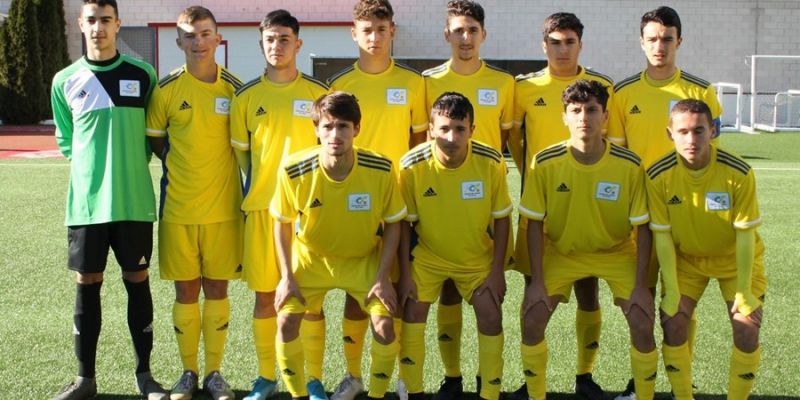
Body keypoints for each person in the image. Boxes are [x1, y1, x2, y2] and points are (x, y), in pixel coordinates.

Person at [50, 1, 166, 399]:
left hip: (133, 201)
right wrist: (93, 172)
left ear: (117, 24)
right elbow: (67, 139)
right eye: (91, 20)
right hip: (86, 205)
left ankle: (145, 376)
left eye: (105, 20)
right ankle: (85, 380)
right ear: (80, 25)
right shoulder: (65, 80)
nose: (98, 27)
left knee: (138, 280)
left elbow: (152, 134)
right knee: (87, 283)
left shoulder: (143, 75)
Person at [606, 7, 723, 398]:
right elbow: (619, 160)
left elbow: (712, 156)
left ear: (679, 41)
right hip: (639, 216)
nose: (660, 46)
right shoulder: (623, 93)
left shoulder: (701, 91)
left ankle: (679, 383)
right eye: (653, 39)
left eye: (667, 38)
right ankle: (639, 384)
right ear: (641, 42)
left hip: (686, 214)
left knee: (680, 304)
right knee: (640, 301)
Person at [518, 80, 657, 400]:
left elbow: (643, 228)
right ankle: (536, 395)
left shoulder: (629, 164)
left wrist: (641, 286)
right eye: (576, 110)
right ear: (564, 117)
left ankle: (643, 394)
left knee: (642, 319)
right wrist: (536, 281)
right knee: (532, 317)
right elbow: (534, 224)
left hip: (616, 251)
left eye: (592, 110)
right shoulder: (545, 161)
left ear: (605, 117)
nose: (584, 117)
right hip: (562, 252)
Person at [271, 92, 407, 400]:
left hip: (363, 260)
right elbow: (281, 222)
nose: (335, 135)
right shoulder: (293, 169)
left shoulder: (381, 168)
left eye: (343, 126)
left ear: (357, 129)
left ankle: (376, 395)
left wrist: (383, 276)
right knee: (286, 321)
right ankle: (298, 395)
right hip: (311, 259)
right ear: (317, 129)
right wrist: (286, 276)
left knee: (384, 326)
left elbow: (394, 223)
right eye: (328, 126)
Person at [507, 13, 614, 399]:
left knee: (589, 292)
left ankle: (585, 376)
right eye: (555, 42)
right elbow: (514, 141)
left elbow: (611, 144)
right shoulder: (523, 88)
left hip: (587, 212)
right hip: (541, 211)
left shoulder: (602, 87)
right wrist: (533, 178)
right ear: (544, 45)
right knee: (534, 294)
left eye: (569, 41)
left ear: (580, 45)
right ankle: (532, 381)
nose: (562, 49)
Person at [325, 1, 428, 398]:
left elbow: (418, 142)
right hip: (354, 204)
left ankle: (399, 376)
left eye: (381, 29)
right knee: (356, 294)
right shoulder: (339, 83)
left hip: (399, 204)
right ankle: (353, 376)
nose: (374, 37)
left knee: (398, 290)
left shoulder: (413, 82)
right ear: (354, 33)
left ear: (392, 31)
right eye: (366, 30)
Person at [229, 9, 329, 400]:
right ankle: (265, 378)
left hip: (309, 212)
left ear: (298, 44)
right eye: (270, 39)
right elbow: (243, 157)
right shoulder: (245, 97)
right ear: (261, 44)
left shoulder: (317, 93)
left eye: (284, 39)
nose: (277, 46)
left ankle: (313, 379)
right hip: (262, 210)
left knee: (311, 300)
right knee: (265, 297)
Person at [146, 6, 242, 400]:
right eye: (190, 35)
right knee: (185, 293)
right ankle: (188, 372)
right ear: (178, 41)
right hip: (179, 210)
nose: (198, 42)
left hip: (224, 211)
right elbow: (156, 141)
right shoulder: (166, 90)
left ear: (218, 38)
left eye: (205, 34)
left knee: (218, 290)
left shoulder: (235, 89)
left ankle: (215, 373)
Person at [420, 2, 514, 396]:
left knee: (487, 293)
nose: (465, 37)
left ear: (483, 34)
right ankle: (452, 377)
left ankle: (488, 382)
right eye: (458, 30)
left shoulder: (504, 82)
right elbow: (422, 139)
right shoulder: (427, 81)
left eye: (472, 30)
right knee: (445, 288)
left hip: (484, 196)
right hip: (440, 197)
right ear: (447, 34)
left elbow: (507, 139)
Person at [646, 99, 766, 400]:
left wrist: (744, 291)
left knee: (747, 326)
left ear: (712, 131)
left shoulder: (738, 172)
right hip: (686, 261)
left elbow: (745, 235)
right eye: (683, 131)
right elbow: (662, 237)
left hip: (735, 261)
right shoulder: (657, 175)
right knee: (673, 321)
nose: (691, 139)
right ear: (670, 134)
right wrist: (672, 291)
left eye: (699, 130)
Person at [398, 92, 511, 400]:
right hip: (428, 257)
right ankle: (414, 393)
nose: (451, 137)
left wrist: (497, 272)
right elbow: (404, 225)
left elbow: (502, 219)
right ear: (430, 129)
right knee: (412, 313)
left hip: (476, 259)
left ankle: (490, 393)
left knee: (491, 314)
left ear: (472, 130)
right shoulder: (411, 166)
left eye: (460, 129)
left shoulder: (491, 161)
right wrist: (405, 274)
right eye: (444, 128)